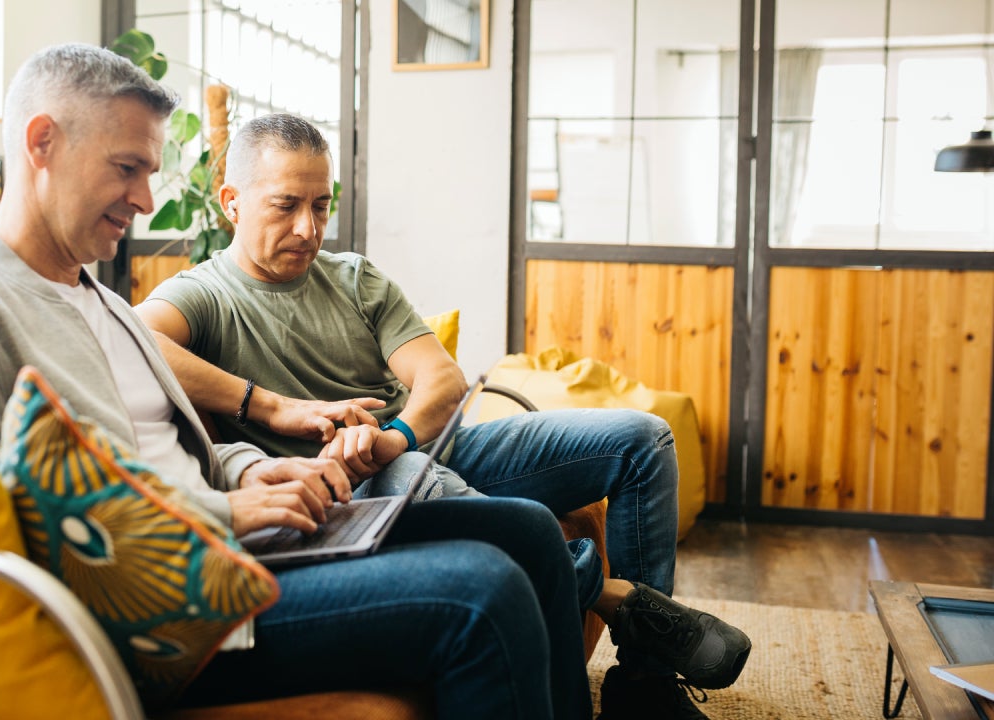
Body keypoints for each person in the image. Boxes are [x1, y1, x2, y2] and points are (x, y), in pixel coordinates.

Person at [0, 43, 596, 720]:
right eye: (128, 168)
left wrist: (258, 469)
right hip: (171, 603)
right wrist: (221, 515)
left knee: (526, 531)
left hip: (234, 541)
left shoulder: (103, 304)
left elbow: (184, 449)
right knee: (480, 594)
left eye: (149, 172)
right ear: (41, 142)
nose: (146, 199)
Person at [138, 112, 753, 719]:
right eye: (285, 205)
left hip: (424, 447)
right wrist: (269, 405)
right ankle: (612, 595)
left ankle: (642, 688)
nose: (308, 227)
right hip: (354, 489)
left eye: (321, 206)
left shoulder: (353, 278)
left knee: (642, 440)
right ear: (231, 202)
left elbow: (442, 380)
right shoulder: (204, 294)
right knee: (413, 480)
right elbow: (137, 338)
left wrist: (396, 434)